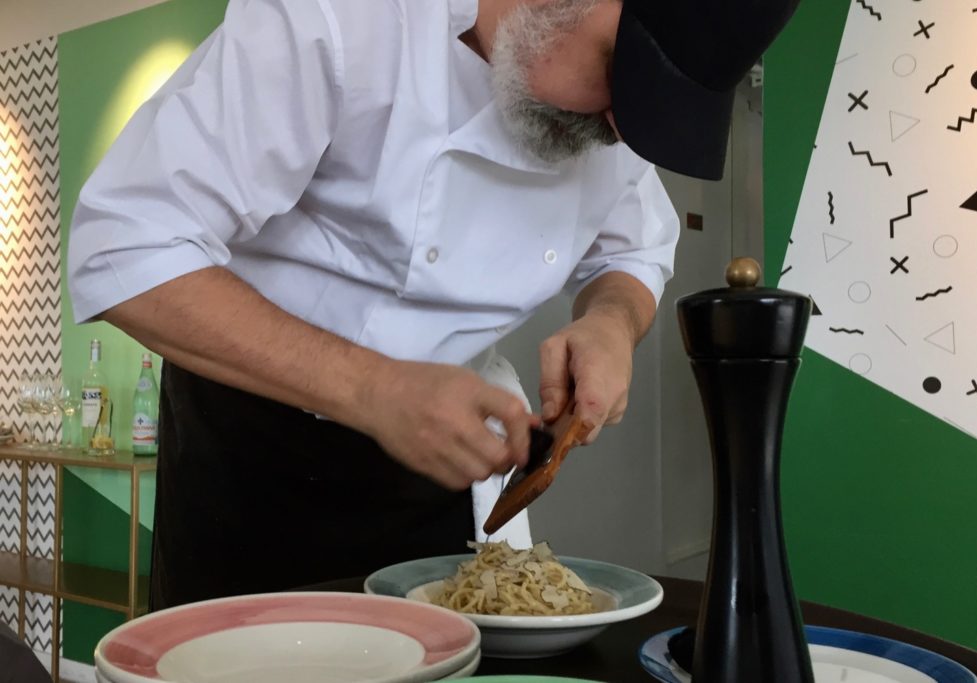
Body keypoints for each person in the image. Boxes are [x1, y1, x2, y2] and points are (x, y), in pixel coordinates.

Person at [68, 0, 799, 610]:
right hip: (255, 471)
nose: (619, 124)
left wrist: (610, 321)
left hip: (441, 479)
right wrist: (372, 385)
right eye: (618, 72)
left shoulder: (610, 116)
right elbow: (125, 247)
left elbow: (635, 250)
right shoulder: (339, 19)